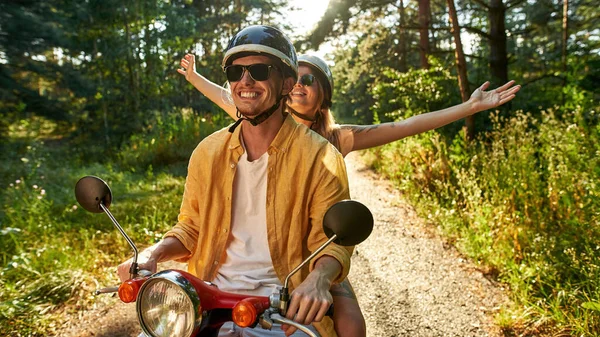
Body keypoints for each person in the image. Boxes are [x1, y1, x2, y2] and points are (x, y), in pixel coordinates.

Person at [177, 50, 521, 336]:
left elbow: (402, 126)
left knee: (351, 323)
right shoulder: (257, 119)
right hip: (264, 257)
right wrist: (194, 77)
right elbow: (234, 90)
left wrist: (469, 108)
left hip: (312, 251)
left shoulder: (336, 138)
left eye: (309, 80)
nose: (299, 85)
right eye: (296, 78)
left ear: (323, 94)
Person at [119, 25, 353, 337]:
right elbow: (190, 229)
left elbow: (331, 243)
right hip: (203, 303)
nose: (245, 82)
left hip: (284, 312)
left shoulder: (320, 156)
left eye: (258, 70)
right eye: (235, 72)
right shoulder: (207, 152)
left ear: (286, 83)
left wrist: (319, 279)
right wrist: (153, 253)